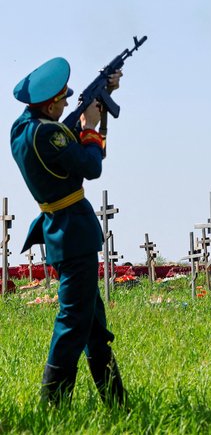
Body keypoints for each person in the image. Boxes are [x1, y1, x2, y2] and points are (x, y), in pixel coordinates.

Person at [11, 57, 125, 406]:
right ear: (48, 105)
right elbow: (90, 167)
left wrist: (99, 104)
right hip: (71, 233)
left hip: (63, 230)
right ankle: (52, 405)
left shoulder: (24, 128)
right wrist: (92, 123)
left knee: (92, 324)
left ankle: (117, 402)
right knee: (74, 322)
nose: (66, 104)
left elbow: (64, 144)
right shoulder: (48, 133)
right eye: (61, 101)